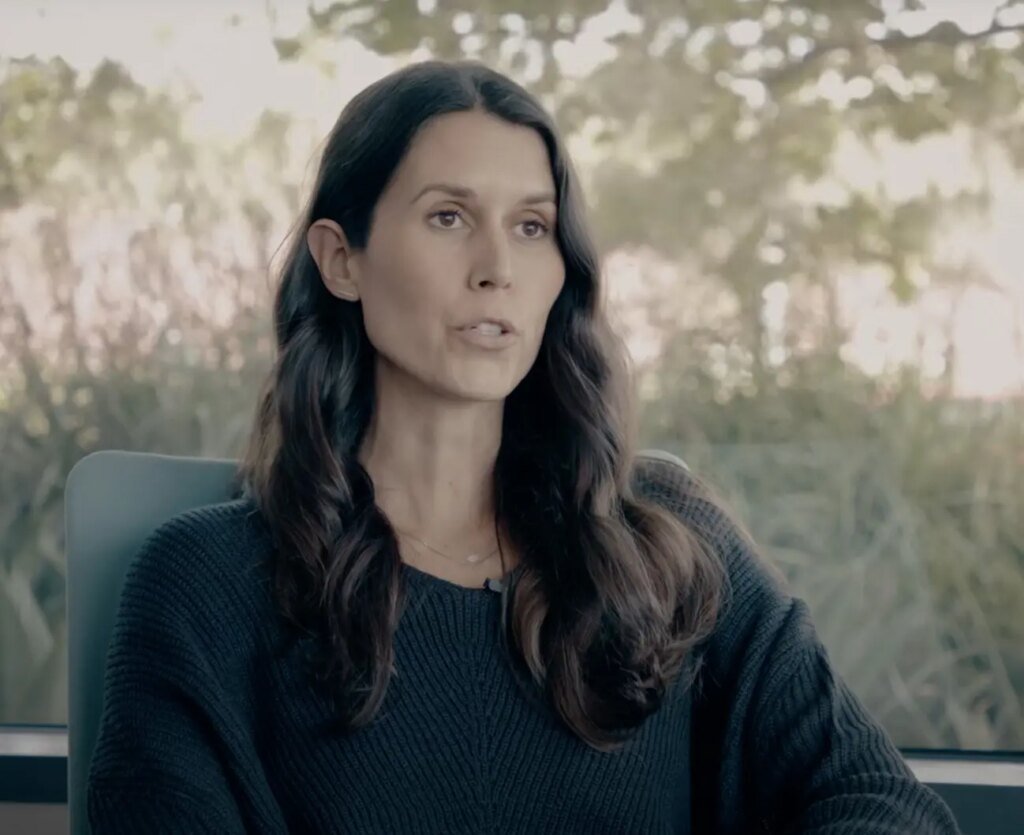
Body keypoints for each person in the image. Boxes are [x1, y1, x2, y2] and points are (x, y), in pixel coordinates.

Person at [87, 59, 962, 834]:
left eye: (532, 226)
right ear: (341, 258)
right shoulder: (206, 585)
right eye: (448, 217)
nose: (496, 267)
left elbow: (883, 801)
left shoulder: (667, 546)